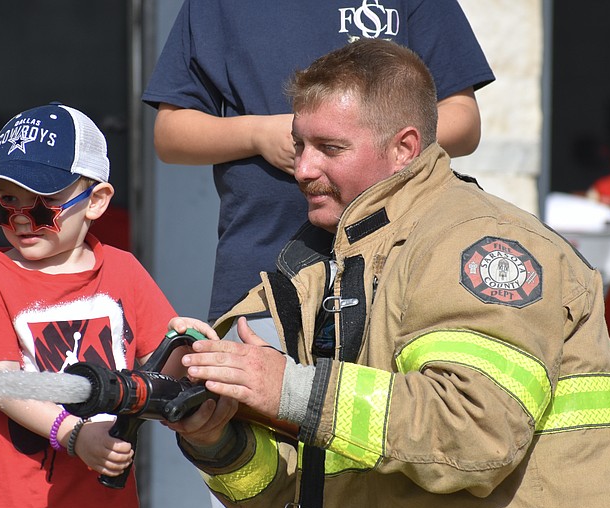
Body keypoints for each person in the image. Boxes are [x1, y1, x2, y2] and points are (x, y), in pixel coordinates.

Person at [163, 39, 610, 508]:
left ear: (404, 148)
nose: (302, 168)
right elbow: (287, 500)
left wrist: (288, 388)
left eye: (329, 148)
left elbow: (473, 438)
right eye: (299, 145)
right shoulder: (321, 267)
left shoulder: (477, 245)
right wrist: (217, 438)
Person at [143, 0, 495, 335]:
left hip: (391, 258)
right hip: (262, 265)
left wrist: (361, 143)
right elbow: (170, 134)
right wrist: (257, 134)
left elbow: (463, 122)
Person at [0, 102, 182, 508]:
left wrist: (191, 342)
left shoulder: (124, 271)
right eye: (5, 200)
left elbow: (166, 366)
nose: (20, 217)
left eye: (41, 201)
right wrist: (75, 435)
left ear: (96, 201)